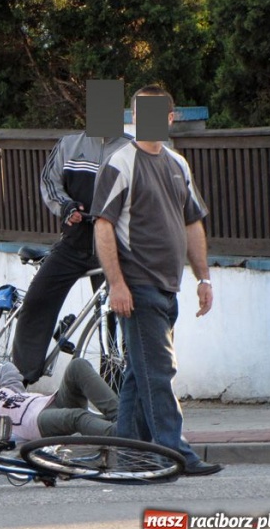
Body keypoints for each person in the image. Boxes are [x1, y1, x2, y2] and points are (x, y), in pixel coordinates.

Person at [90, 85, 222, 476]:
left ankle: (128, 457)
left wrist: (204, 278)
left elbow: (193, 222)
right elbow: (103, 226)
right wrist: (116, 284)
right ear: (133, 116)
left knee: (139, 374)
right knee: (159, 372)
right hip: (137, 286)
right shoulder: (121, 162)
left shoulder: (177, 164)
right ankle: (175, 452)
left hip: (168, 287)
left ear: (170, 117)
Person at [11, 129, 132, 386]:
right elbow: (49, 182)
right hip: (73, 243)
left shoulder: (130, 148)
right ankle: (19, 379)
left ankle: (119, 385)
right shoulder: (69, 144)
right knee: (36, 300)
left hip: (111, 247)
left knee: (116, 313)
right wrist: (66, 206)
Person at [0, 358, 117, 441]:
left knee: (77, 366)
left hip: (51, 402)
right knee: (76, 417)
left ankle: (124, 419)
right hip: (36, 424)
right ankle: (125, 435)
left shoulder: (8, 392)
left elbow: (7, 369)